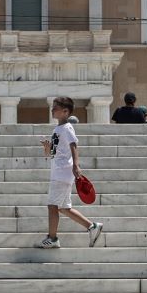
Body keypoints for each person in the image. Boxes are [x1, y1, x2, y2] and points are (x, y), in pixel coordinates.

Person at [39, 96, 105, 248]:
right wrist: (47, 149)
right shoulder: (57, 129)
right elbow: (53, 154)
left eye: (55, 107)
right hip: (58, 171)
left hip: (62, 173)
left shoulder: (67, 127)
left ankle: (53, 238)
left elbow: (73, 145)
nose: (52, 109)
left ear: (65, 111)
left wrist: (76, 165)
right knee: (63, 208)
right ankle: (92, 226)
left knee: (52, 206)